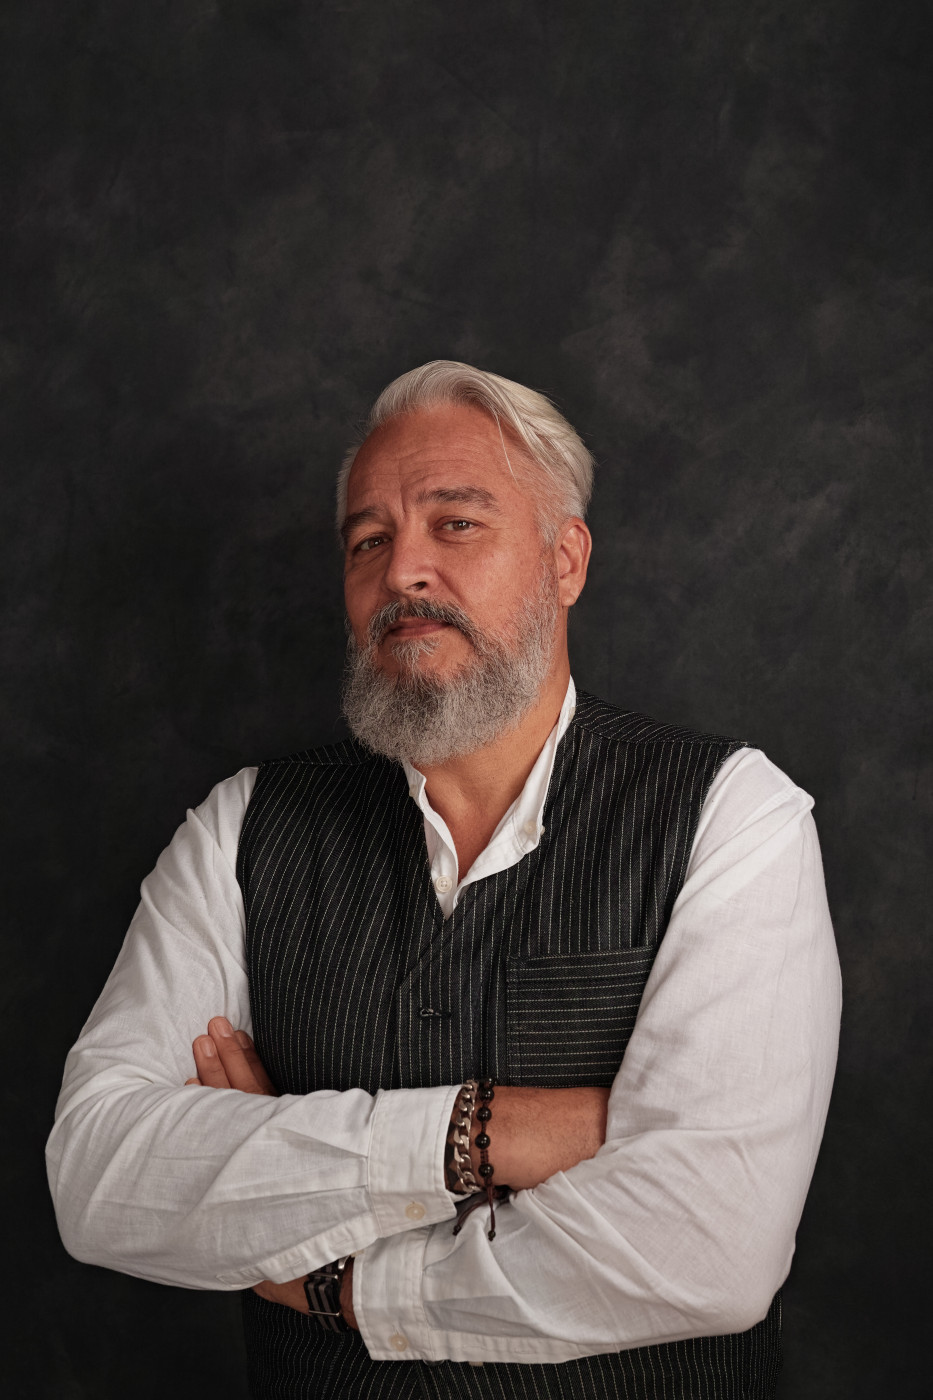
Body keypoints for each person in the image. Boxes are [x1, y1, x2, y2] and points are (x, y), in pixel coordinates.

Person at [47, 361, 841, 1400]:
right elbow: (100, 1179)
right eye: (367, 541)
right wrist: (487, 1132)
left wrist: (331, 1271)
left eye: (455, 524)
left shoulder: (730, 816)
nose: (403, 573)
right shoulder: (241, 826)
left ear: (565, 559)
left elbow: (709, 1249)